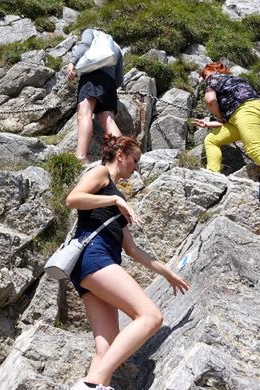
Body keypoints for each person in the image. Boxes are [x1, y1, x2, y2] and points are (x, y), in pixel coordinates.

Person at [66, 134, 190, 390]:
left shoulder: (116, 195)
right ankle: (93, 383)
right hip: (94, 258)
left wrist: (167, 273)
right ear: (120, 155)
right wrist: (115, 199)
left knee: (106, 348)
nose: (136, 167)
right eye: (135, 160)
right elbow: (73, 199)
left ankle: (93, 383)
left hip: (91, 267)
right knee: (151, 317)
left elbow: (132, 249)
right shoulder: (101, 173)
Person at [193, 61, 260, 173]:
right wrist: (208, 124)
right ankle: (212, 173)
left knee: (255, 150)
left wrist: (217, 116)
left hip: (245, 110)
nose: (204, 78)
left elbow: (210, 101)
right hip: (249, 111)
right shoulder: (233, 80)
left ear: (214, 70)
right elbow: (233, 119)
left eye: (205, 74)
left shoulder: (212, 78)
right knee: (211, 140)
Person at [66, 29, 124, 163]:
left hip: (92, 77)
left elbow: (84, 45)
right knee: (108, 120)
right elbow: (119, 78)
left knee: (84, 113)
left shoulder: (91, 32)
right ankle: (119, 158)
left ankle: (80, 157)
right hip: (110, 83)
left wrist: (72, 63)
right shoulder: (115, 45)